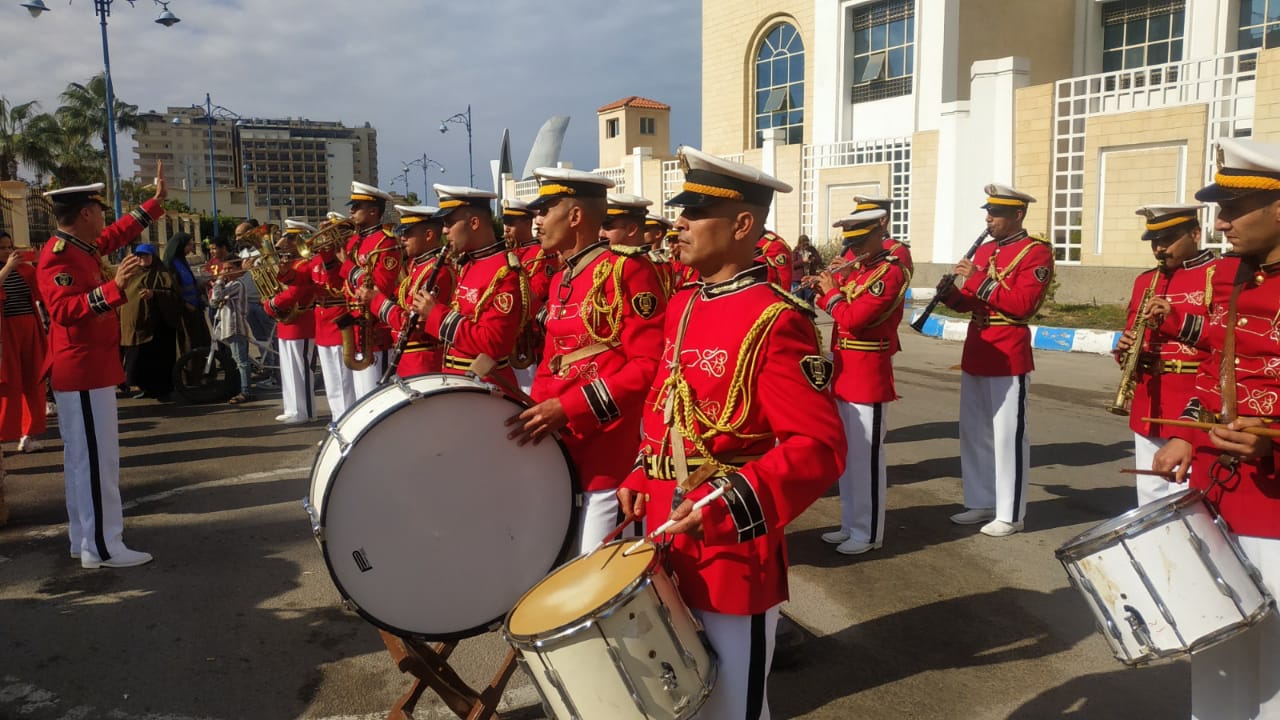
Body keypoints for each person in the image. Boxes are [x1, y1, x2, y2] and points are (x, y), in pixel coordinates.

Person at [618, 147, 845, 719]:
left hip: (728, 546)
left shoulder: (777, 317)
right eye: (681, 211)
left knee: (730, 706)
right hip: (664, 527)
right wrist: (641, 471)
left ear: (743, 224)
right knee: (677, 693)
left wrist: (727, 504)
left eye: (694, 213)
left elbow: (818, 447)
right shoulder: (684, 303)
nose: (679, 224)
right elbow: (668, 405)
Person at [1152, 137, 1280, 720]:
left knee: (1274, 657)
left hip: (1275, 499)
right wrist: (1189, 432)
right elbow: (1215, 365)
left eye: (1233, 207)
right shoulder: (1234, 274)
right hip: (1218, 486)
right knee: (1219, 641)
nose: (1221, 220)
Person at [508, 168, 666, 554]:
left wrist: (569, 408)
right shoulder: (567, 275)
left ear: (576, 216)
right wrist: (535, 414)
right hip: (563, 450)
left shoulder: (627, 269)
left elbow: (648, 366)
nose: (538, 221)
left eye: (545, 210)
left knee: (592, 576)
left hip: (606, 457)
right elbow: (554, 360)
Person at [37, 169, 167, 569]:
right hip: (82, 372)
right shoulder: (59, 257)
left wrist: (153, 205)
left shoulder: (80, 246)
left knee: (84, 461)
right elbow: (63, 311)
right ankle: (103, 547)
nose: (103, 217)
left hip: (86, 370)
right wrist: (114, 289)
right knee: (97, 462)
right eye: (97, 209)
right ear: (84, 213)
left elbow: (115, 236)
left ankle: (85, 540)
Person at [936, 183, 1054, 537]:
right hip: (978, 347)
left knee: (1008, 437)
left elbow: (1021, 305)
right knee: (973, 433)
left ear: (1017, 215)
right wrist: (953, 296)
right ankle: (980, 500)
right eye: (988, 212)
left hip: (1008, 351)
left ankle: (1010, 513)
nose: (989, 218)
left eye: (997, 213)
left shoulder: (1036, 253)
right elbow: (976, 303)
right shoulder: (987, 250)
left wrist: (977, 279)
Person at [812, 209, 908, 556]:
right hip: (844, 370)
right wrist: (827, 289)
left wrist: (830, 293)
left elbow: (854, 318)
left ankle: (868, 533)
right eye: (849, 241)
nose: (851, 249)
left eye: (858, 241)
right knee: (848, 457)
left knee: (867, 460)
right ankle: (850, 524)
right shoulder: (861, 271)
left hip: (868, 373)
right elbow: (841, 310)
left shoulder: (890, 272)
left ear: (877, 234)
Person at [1112, 203, 1215, 505]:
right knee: (1149, 498)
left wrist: (1175, 319)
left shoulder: (1217, 275)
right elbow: (1134, 330)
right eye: (1155, 241)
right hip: (1149, 400)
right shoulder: (1145, 280)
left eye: (1168, 240)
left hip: (1192, 399)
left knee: (1186, 500)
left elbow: (1226, 340)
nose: (1159, 248)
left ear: (1196, 234)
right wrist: (1124, 350)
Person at [412, 185, 528, 388]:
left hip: (485, 387)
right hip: (458, 381)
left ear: (474, 223)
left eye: (449, 223)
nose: (445, 230)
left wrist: (437, 315)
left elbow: (493, 344)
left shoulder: (504, 270)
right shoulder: (468, 264)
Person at [359, 205, 454, 379]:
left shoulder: (437, 272)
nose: (402, 238)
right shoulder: (416, 266)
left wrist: (377, 302)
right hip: (407, 360)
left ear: (428, 235)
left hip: (423, 361)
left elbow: (413, 324)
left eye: (407, 232)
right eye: (401, 232)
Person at [342, 182, 401, 396]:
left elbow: (380, 287)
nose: (351, 211)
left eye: (356, 206)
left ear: (374, 211)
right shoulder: (355, 240)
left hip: (374, 326)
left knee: (375, 395)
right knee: (360, 395)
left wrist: (347, 266)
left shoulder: (385, 242)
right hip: (356, 322)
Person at [262, 220, 318, 423]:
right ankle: (292, 407)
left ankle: (305, 412)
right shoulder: (292, 263)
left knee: (301, 368)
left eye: (290, 238)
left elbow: (296, 292)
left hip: (301, 321)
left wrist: (271, 304)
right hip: (287, 322)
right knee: (287, 368)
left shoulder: (305, 264)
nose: (283, 241)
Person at [0, 231, 48, 453]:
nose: (8, 251)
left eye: (10, 246)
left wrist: (38, 262)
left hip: (30, 329)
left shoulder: (24, 270)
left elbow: (42, 291)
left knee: (33, 382)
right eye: (2, 248)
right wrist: (7, 267)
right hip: (5, 334)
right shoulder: (7, 270)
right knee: (8, 386)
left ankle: (28, 435)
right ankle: (5, 435)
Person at [502, 198, 556, 391]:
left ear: (527, 222)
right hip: (507, 335)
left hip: (528, 340)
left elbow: (536, 294)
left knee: (528, 390)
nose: (506, 227)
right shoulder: (506, 253)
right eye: (505, 222)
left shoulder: (542, 253)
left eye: (511, 223)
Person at [118, 243, 180, 401]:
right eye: (139, 255)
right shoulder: (130, 274)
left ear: (153, 256)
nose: (142, 259)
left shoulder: (162, 273)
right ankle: (146, 388)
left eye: (145, 255)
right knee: (141, 359)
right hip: (138, 325)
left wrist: (155, 294)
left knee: (160, 359)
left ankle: (164, 391)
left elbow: (174, 295)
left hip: (159, 325)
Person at [210, 255, 254, 405]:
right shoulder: (229, 285)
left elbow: (216, 296)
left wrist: (219, 279)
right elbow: (213, 301)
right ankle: (240, 387)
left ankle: (246, 391)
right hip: (229, 327)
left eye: (230, 269)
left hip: (235, 327)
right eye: (224, 268)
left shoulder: (237, 284)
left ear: (238, 269)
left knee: (241, 361)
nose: (226, 271)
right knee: (239, 360)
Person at [162, 231, 211, 354]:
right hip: (184, 312)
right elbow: (172, 290)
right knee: (189, 344)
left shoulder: (182, 261)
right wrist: (185, 304)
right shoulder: (170, 265)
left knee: (203, 340)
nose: (191, 248)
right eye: (189, 245)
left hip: (195, 309)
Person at [851, 194, 914, 273]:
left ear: (882, 219)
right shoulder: (852, 247)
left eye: (864, 219)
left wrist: (850, 274)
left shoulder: (898, 251)